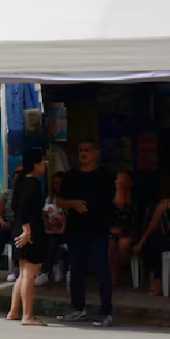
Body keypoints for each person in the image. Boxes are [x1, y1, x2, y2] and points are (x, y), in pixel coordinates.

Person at [55, 139, 115, 327]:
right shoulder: (71, 176)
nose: (83, 153)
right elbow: (59, 201)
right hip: (76, 231)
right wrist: (73, 204)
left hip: (98, 231)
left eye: (87, 150)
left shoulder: (106, 175)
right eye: (80, 150)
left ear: (96, 152)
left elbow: (116, 201)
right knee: (76, 271)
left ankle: (106, 311)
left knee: (101, 271)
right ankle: (77, 308)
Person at [8, 148, 48, 326]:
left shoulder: (22, 181)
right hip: (29, 231)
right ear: (36, 164)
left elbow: (18, 207)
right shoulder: (32, 183)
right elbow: (24, 208)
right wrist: (27, 231)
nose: (45, 166)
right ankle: (28, 315)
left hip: (20, 228)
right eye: (43, 162)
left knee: (23, 273)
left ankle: (14, 311)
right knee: (29, 275)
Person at [0, 166, 24, 282]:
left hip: (19, 225)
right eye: (15, 179)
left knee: (18, 234)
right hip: (6, 224)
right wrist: (2, 222)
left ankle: (16, 269)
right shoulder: (6, 194)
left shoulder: (25, 195)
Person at [133, 192, 170, 296]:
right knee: (159, 243)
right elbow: (152, 226)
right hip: (166, 240)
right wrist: (141, 243)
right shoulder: (164, 204)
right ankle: (158, 281)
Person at [109, 170, 140, 287]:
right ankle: (114, 279)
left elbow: (137, 221)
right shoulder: (110, 199)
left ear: (131, 182)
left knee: (123, 243)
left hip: (130, 233)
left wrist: (123, 230)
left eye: (123, 179)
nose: (120, 182)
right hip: (113, 232)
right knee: (109, 243)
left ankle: (123, 269)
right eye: (118, 179)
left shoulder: (136, 200)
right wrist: (111, 229)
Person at [37, 171, 67, 286]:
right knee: (44, 239)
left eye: (60, 183)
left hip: (64, 230)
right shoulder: (49, 198)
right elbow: (44, 215)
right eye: (55, 183)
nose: (57, 186)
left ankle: (47, 270)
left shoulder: (68, 199)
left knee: (53, 241)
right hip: (50, 229)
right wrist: (47, 222)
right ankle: (53, 267)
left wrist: (61, 221)